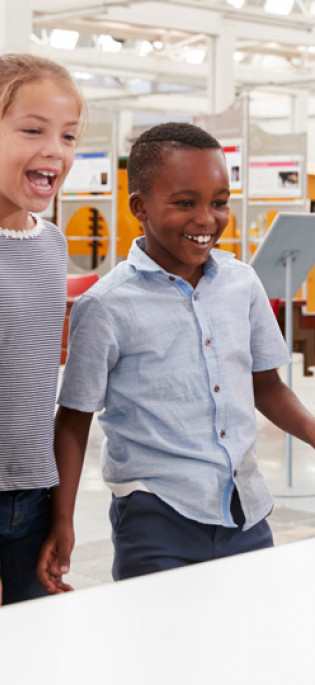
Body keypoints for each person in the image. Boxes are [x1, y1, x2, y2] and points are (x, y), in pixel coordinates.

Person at [38, 122, 315, 593]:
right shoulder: (105, 306)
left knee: (248, 643)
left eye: (219, 202)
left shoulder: (242, 282)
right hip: (156, 517)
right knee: (165, 646)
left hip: (244, 510)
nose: (207, 218)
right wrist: (61, 519)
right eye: (185, 203)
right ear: (139, 207)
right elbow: (74, 417)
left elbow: (265, 384)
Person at [0, 53, 85, 604]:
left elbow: (39, 384)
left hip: (30, 495)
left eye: (70, 136)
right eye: (33, 130)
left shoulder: (51, 244)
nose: (55, 149)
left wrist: (60, 514)